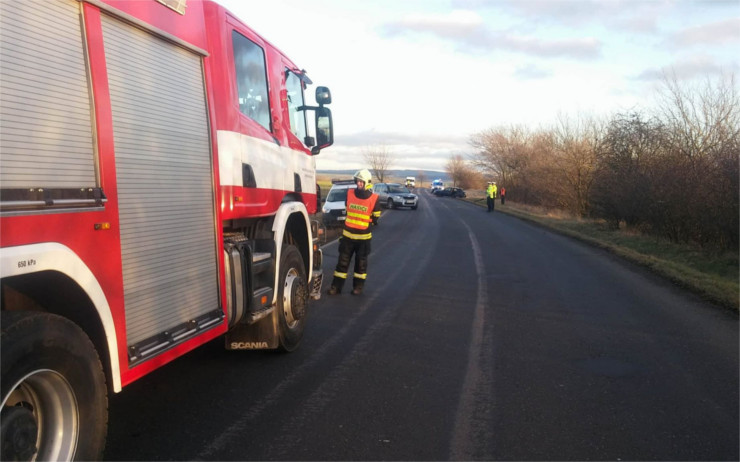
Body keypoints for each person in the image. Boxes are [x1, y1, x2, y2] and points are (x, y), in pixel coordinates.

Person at [328, 169, 381, 296]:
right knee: (342, 264)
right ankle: (336, 288)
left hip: (363, 239)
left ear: (367, 183)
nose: (359, 184)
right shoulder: (350, 193)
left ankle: (358, 287)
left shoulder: (374, 199)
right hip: (347, 237)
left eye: (361, 182)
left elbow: (376, 216)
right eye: (357, 181)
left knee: (360, 266)